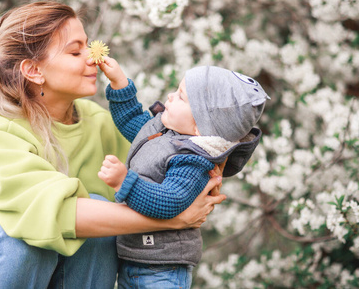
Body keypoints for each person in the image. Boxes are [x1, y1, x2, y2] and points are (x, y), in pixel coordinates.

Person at [0, 1, 226, 289]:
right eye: (75, 51)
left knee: (99, 222)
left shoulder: (99, 122)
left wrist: (200, 168)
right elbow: (56, 214)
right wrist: (172, 222)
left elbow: (161, 171)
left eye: (88, 46)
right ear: (33, 70)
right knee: (22, 233)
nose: (92, 58)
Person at [97, 59, 270, 288]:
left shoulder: (193, 160)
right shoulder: (165, 133)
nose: (170, 96)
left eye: (181, 97)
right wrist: (119, 83)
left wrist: (124, 182)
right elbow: (132, 121)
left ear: (200, 127)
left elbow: (170, 201)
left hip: (162, 269)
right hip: (136, 259)